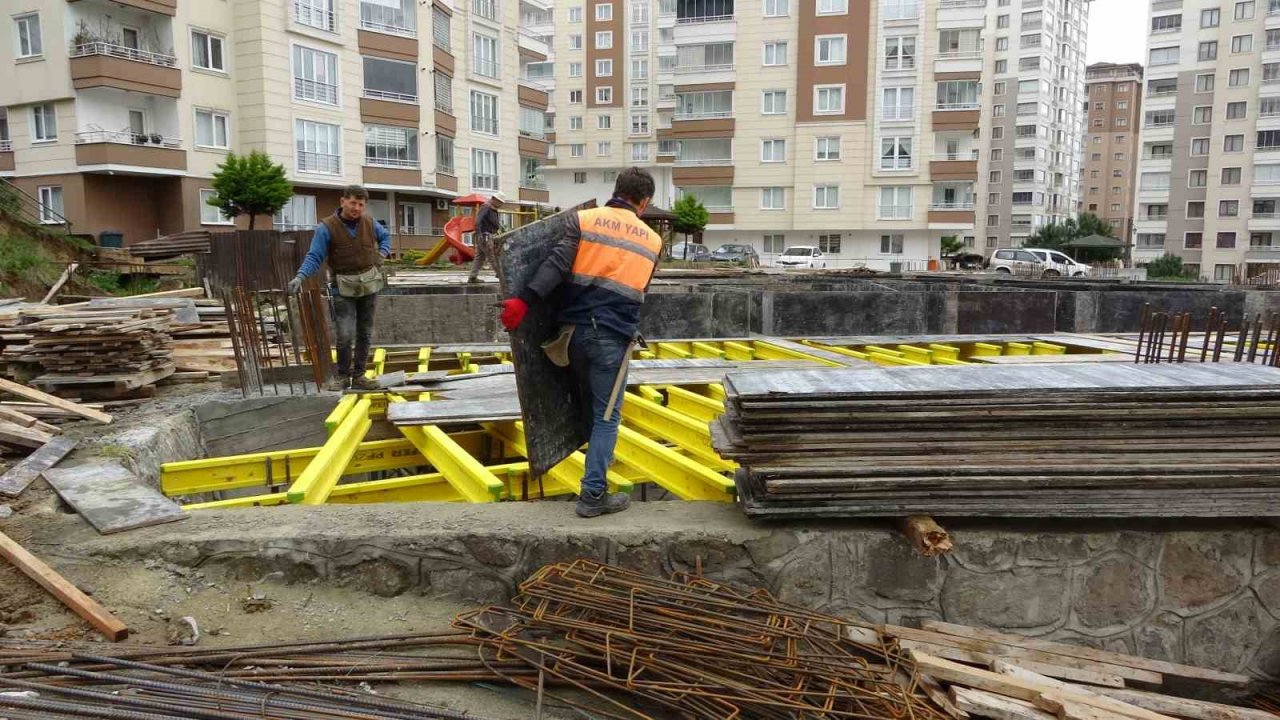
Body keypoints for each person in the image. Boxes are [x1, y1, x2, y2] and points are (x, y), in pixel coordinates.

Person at [497, 168, 662, 518]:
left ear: (616, 190)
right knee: (606, 417)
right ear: (644, 202)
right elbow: (639, 291)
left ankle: (592, 467)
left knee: (586, 405)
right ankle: (593, 495)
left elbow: (555, 265)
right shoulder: (652, 240)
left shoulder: (584, 220)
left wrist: (523, 301)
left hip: (570, 337)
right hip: (610, 340)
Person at [288, 185, 391, 392]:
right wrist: (300, 276)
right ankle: (343, 376)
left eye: (361, 204)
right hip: (342, 287)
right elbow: (315, 256)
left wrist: (382, 254)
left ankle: (359, 375)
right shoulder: (327, 227)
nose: (357, 208)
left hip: (369, 285)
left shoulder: (370, 223)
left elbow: (386, 237)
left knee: (365, 332)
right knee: (345, 333)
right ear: (343, 201)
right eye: (353, 203)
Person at [467, 192, 506, 283]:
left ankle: (472, 277)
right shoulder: (486, 206)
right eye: (500, 202)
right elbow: (477, 221)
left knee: (480, 257)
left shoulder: (492, 208)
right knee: (493, 255)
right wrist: (479, 234)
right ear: (494, 199)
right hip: (485, 236)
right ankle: (501, 276)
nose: (501, 205)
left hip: (486, 236)